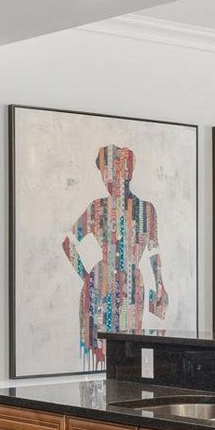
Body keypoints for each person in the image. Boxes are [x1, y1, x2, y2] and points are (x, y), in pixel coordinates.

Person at [60, 144, 169, 366]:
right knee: (97, 355)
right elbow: (68, 243)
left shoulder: (146, 210)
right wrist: (88, 277)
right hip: (100, 288)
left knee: (129, 355)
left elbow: (153, 251)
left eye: (113, 171)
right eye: (104, 174)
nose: (108, 180)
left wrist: (159, 284)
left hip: (131, 288)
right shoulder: (97, 207)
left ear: (128, 172)